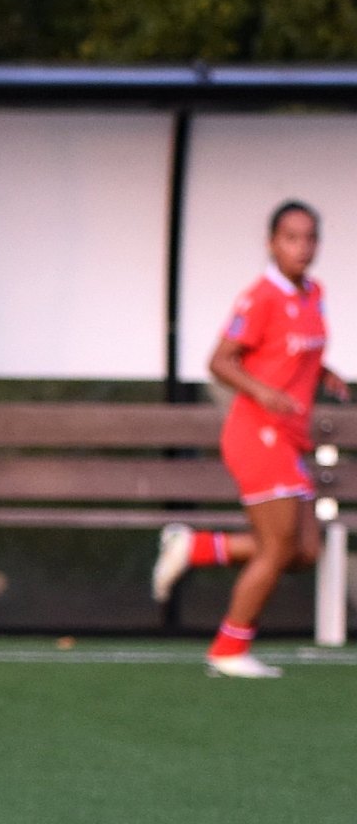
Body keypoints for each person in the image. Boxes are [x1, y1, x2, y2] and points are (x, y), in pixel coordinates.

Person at [152, 200, 347, 677]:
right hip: (257, 433)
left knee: (304, 551)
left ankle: (195, 549)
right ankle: (228, 649)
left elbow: (291, 349)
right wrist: (265, 392)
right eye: (291, 237)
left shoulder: (313, 292)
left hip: (288, 436)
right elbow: (219, 361)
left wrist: (323, 373)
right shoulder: (260, 296)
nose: (302, 247)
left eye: (310, 238)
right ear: (271, 242)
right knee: (277, 547)